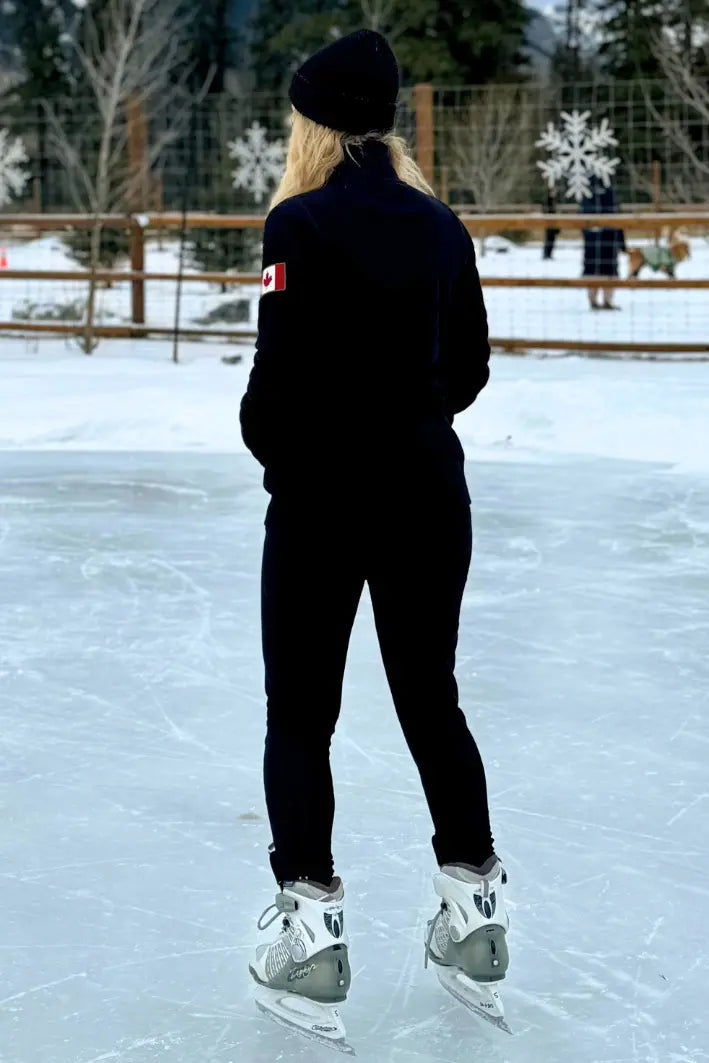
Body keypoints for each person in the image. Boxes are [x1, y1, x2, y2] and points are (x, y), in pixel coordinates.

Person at [240, 29, 510, 1048]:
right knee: (429, 700)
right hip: (427, 497)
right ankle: (475, 913)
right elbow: (471, 369)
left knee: (299, 714)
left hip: (319, 502)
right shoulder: (441, 227)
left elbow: (274, 387)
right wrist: (408, 417)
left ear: (312, 120)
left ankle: (308, 935)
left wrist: (285, 454)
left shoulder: (296, 223)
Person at [581, 176, 626, 310]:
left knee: (603, 270)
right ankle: (597, 301)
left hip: (604, 237)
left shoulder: (591, 194)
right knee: (600, 271)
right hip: (600, 237)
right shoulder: (591, 193)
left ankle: (602, 301)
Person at [542, 184, 560, 260]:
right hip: (549, 223)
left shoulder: (553, 201)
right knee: (548, 240)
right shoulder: (547, 202)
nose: (554, 193)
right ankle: (546, 254)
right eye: (553, 191)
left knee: (552, 240)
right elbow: (545, 212)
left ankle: (549, 254)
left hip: (553, 224)